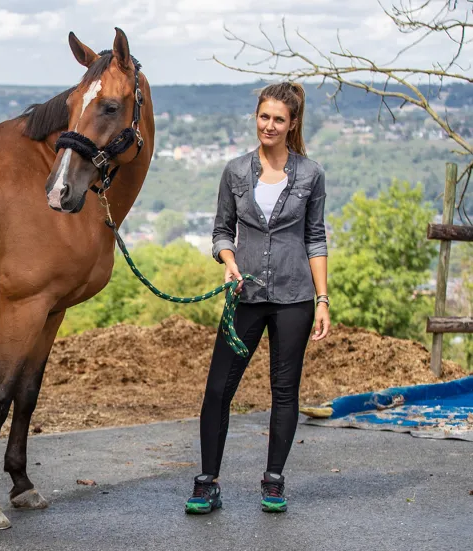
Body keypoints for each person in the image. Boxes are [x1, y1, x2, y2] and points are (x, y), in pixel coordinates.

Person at [185, 81, 331, 515]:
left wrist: (322, 299)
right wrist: (227, 260)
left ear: (293, 124)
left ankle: (273, 480)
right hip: (245, 297)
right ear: (257, 118)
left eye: (278, 119)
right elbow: (220, 231)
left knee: (284, 393)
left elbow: (316, 238)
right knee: (217, 391)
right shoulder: (234, 171)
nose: (269, 125)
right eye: (263, 117)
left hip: (294, 299)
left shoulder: (311, 174)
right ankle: (207, 482)